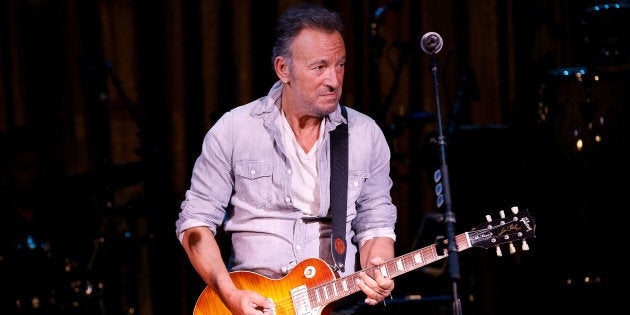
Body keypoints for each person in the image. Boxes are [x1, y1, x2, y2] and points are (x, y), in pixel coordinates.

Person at [175, 3, 397, 314]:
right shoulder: (234, 129)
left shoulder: (365, 134)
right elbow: (195, 224)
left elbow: (375, 223)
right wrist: (229, 294)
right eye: (319, 67)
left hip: (337, 303)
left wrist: (380, 268)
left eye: (341, 64)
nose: (334, 80)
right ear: (283, 69)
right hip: (255, 304)